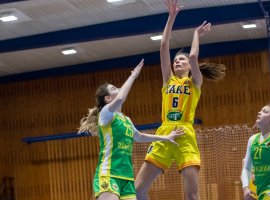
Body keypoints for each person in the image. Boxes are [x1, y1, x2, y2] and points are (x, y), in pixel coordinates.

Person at [135, 1, 226, 200]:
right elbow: (163, 45)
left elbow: (193, 55)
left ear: (189, 66)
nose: (177, 61)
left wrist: (196, 33)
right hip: (164, 132)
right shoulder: (168, 80)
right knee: (137, 190)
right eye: (175, 60)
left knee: (192, 197)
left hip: (185, 134)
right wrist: (172, 16)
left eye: (180, 60)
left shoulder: (195, 82)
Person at [78, 59, 185, 200]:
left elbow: (139, 136)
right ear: (108, 98)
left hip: (127, 177)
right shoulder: (106, 114)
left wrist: (166, 137)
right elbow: (122, 97)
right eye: (114, 88)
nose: (119, 89)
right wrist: (133, 75)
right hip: (109, 174)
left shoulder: (126, 120)